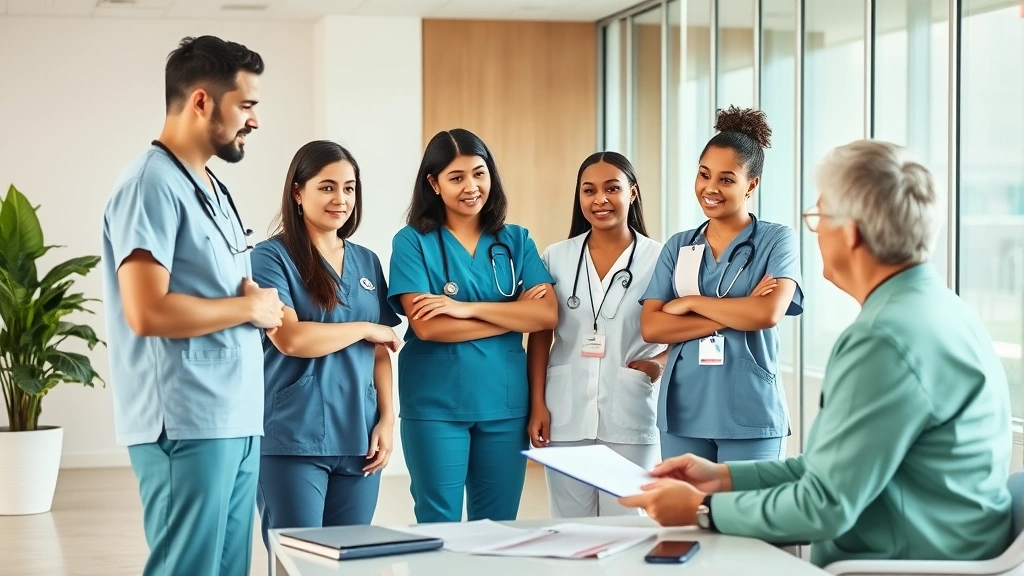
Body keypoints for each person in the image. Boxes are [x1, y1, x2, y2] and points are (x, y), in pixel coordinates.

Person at [620, 139, 1013, 568]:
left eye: (819, 216)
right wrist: (725, 476)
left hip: (902, 561)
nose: (816, 230)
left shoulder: (883, 339)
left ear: (851, 232)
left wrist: (699, 510)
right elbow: (832, 469)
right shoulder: (939, 308)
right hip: (934, 543)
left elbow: (823, 504)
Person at [101, 36, 284, 576]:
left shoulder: (211, 187)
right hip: (186, 420)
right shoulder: (148, 185)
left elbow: (221, 287)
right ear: (203, 101)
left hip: (238, 415)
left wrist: (249, 301)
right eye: (246, 106)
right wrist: (248, 310)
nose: (254, 122)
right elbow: (147, 312)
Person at [387, 128, 558, 523]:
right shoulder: (412, 242)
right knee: (438, 520)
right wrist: (513, 315)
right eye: (457, 177)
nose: (471, 187)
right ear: (434, 183)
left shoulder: (515, 240)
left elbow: (546, 316)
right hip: (436, 406)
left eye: (479, 174)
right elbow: (429, 328)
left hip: (505, 405)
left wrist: (464, 310)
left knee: (498, 526)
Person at [250, 141, 402, 549]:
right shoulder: (271, 257)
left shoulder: (367, 261)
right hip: (293, 436)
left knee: (348, 558)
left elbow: (381, 351)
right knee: (298, 560)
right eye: (328, 187)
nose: (341, 199)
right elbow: (291, 338)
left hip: (359, 438)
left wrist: (388, 420)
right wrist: (364, 328)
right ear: (298, 192)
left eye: (349, 188)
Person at [639, 106, 803, 463]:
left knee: (745, 518)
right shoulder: (680, 245)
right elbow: (653, 327)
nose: (710, 188)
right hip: (683, 409)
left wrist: (688, 304)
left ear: (752, 185)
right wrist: (736, 313)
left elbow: (768, 312)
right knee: (683, 517)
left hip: (751, 411)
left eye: (726, 179)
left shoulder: (776, 241)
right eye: (703, 175)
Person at [525, 152, 667, 518]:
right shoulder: (556, 256)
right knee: (570, 527)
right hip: (564, 411)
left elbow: (683, 328)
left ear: (632, 193)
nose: (599, 199)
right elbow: (540, 334)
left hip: (630, 408)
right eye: (589, 190)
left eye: (612, 189)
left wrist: (657, 364)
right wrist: (538, 403)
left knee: (628, 525)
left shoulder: (659, 257)